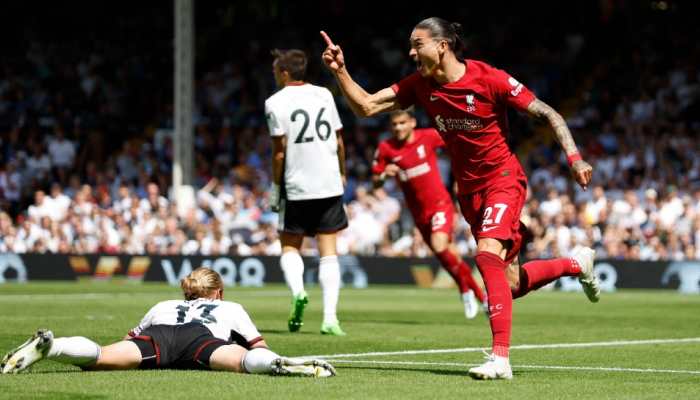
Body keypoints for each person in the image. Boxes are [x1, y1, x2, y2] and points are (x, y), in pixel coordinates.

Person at [321, 17, 600, 380]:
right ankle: (576, 265)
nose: (410, 52)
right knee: (510, 284)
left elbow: (548, 112)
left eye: (416, 43)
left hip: (503, 178)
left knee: (485, 256)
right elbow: (367, 106)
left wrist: (575, 158)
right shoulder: (421, 86)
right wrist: (340, 71)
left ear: (442, 45)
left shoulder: (490, 78)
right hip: (469, 192)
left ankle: (500, 359)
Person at [1, 268, 335, 377]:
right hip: (200, 339)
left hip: (158, 335)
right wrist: (267, 355)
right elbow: (257, 346)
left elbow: (129, 338)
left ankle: (53, 346)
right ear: (217, 291)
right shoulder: (229, 306)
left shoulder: (164, 304)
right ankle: (283, 366)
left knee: (101, 356)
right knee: (244, 361)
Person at [372, 109, 486, 318]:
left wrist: (463, 176)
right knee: (447, 256)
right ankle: (480, 297)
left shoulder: (428, 137)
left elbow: (456, 143)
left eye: (402, 122)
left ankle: (466, 291)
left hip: (441, 204)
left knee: (439, 245)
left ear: (412, 122)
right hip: (419, 213)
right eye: (394, 124)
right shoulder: (386, 148)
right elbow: (375, 179)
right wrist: (383, 176)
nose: (398, 127)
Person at [265, 49, 348, 336]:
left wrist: (276, 187)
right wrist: (342, 171)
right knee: (329, 252)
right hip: (328, 182)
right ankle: (330, 318)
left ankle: (299, 292)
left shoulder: (274, 102)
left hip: (296, 184)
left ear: (285, 72)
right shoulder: (324, 94)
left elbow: (279, 152)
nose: (274, 74)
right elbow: (338, 139)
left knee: (289, 246)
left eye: (276, 70)